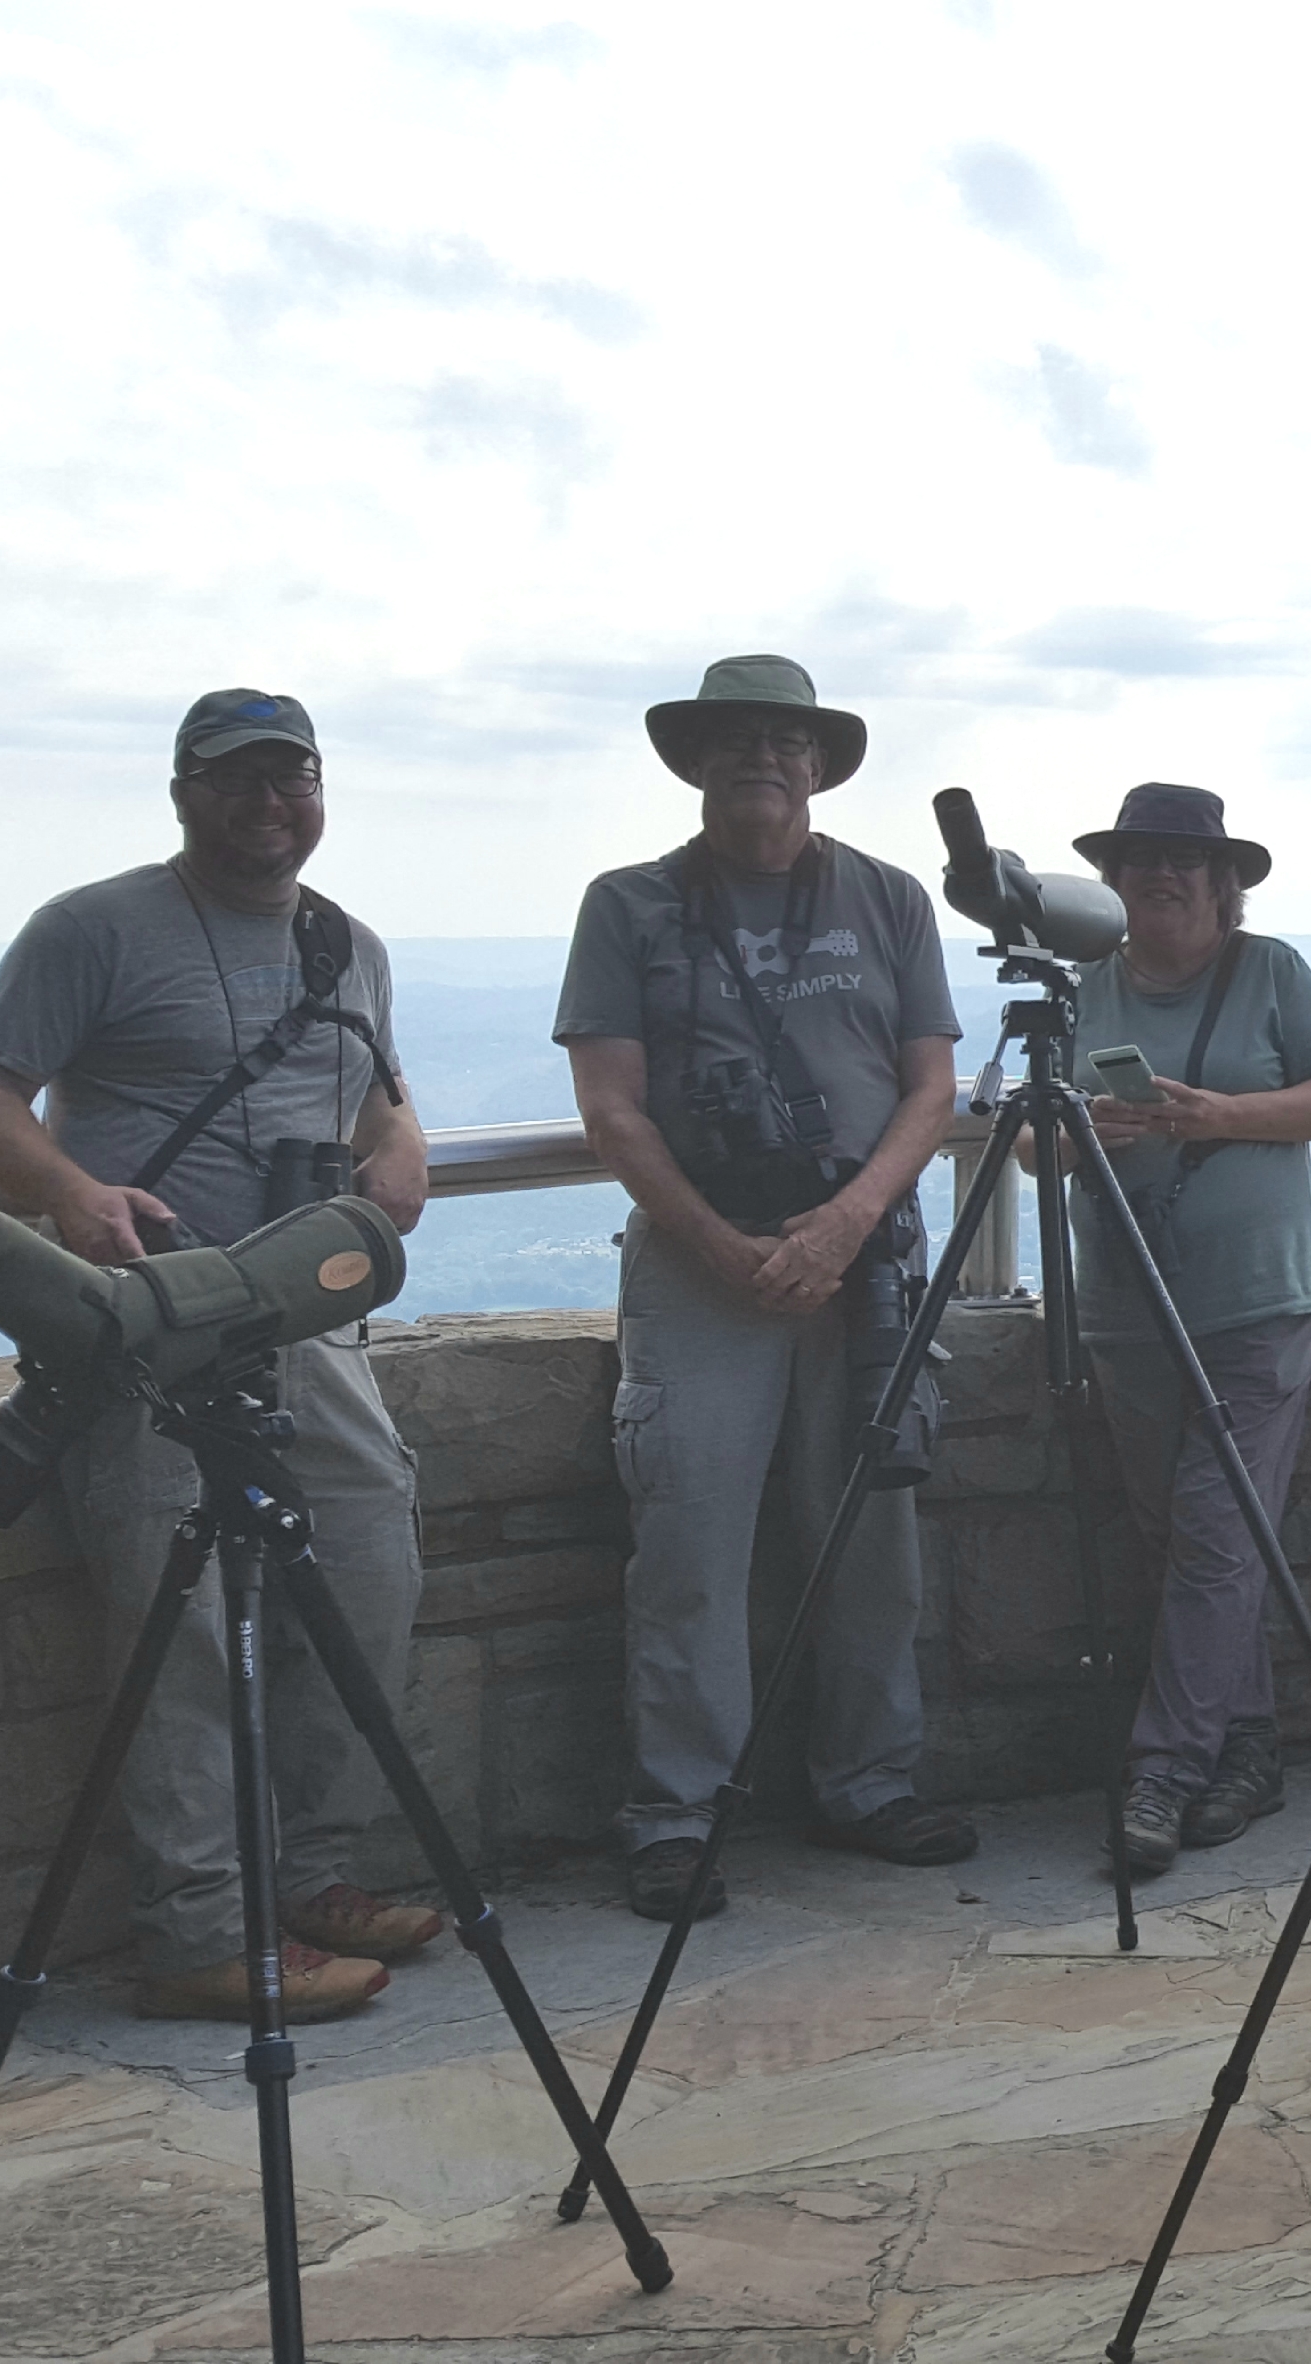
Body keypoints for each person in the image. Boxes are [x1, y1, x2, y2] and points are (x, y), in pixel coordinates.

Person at [0, 690, 441, 2024]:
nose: (269, 805)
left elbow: (368, 1084)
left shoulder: (350, 944)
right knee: (188, 1621)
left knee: (370, 1563)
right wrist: (65, 1192)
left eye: (293, 778)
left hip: (300, 1313)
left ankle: (317, 1876)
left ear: (322, 789)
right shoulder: (91, 928)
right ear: (182, 794)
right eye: (238, 781)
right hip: (153, 1320)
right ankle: (204, 1930)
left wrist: (399, 1135)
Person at [555, 656, 974, 1921]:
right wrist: (716, 1243)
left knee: (872, 1536)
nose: (762, 758)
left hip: (866, 1265)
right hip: (701, 1265)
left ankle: (868, 1780)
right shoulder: (627, 906)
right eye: (735, 739)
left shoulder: (887, 897)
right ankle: (677, 1816)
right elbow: (611, 1106)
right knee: (689, 1542)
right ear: (693, 761)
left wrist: (847, 1222)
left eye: (784, 740)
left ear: (818, 762)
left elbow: (930, 1087)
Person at [1054, 785, 1311, 1878]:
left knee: (1211, 1527)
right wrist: (1079, 1130)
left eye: (1184, 859)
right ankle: (1247, 1746)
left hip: (1256, 1295)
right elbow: (1027, 1152)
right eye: (1141, 856)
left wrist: (1218, 1116)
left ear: (1222, 880)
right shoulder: (1081, 995)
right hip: (1127, 1301)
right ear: (1115, 877)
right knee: (1185, 1539)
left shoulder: (1270, 971)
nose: (1162, 873)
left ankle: (1165, 1768)